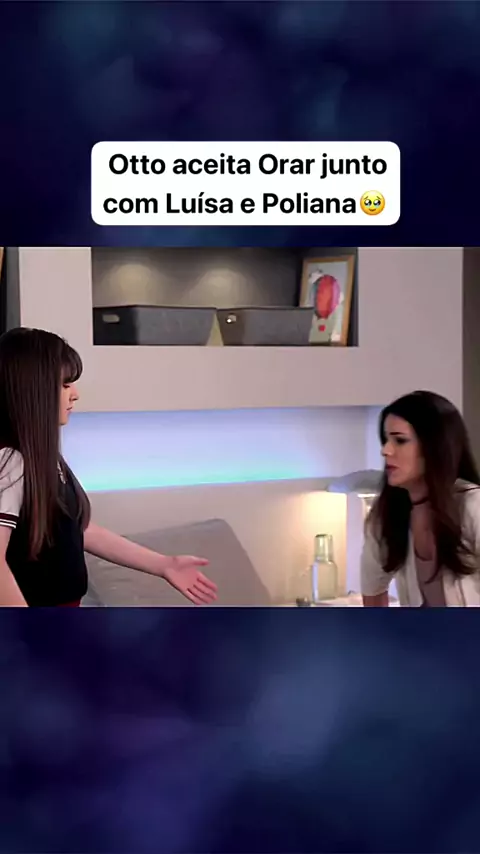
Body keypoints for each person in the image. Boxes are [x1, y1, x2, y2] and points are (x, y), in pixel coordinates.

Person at [0, 327, 218, 608]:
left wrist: (164, 564)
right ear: (32, 391)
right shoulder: (11, 462)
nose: (75, 394)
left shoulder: (46, 460)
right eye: (65, 385)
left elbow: (78, 529)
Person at [361, 390, 480, 607]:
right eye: (385, 440)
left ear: (434, 446)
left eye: (400, 440)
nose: (385, 450)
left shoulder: (474, 506)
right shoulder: (385, 514)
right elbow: (372, 592)